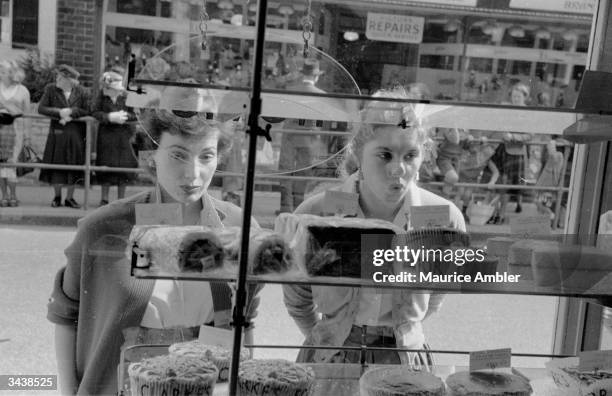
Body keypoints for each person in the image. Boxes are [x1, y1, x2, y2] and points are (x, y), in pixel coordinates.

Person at [47, 109, 261, 395]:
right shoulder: (103, 227)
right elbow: (66, 315)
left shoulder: (238, 225)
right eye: (178, 155)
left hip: (211, 385)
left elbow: (245, 320)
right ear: (151, 156)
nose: (193, 173)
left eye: (206, 156)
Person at [283, 88, 466, 367]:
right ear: (358, 153)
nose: (398, 169)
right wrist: (329, 338)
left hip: (404, 357)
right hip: (331, 356)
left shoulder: (446, 219)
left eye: (410, 155)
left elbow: (438, 294)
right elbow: (298, 299)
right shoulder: (315, 214)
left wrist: (404, 330)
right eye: (385, 155)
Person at [38, 64, 90, 208]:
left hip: (75, 134)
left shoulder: (82, 92)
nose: (57, 79)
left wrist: (71, 113)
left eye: (60, 77)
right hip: (57, 134)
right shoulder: (51, 89)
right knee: (57, 167)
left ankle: (70, 198)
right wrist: (59, 113)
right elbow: (41, 108)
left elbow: (87, 110)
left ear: (69, 80)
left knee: (73, 166)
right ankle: (57, 196)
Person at [277, 58, 325, 213]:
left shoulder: (292, 90)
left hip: (290, 135)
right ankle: (298, 208)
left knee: (286, 171)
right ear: (316, 77)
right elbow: (322, 121)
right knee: (303, 173)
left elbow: (282, 113)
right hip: (310, 138)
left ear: (302, 74)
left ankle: (286, 208)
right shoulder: (321, 95)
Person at [92, 68, 138, 206]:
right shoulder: (101, 96)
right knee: (105, 166)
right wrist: (109, 117)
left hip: (124, 137)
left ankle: (121, 199)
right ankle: (104, 198)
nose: (106, 90)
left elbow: (135, 114)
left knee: (123, 168)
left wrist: (124, 117)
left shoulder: (127, 96)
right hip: (106, 136)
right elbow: (94, 111)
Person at [489, 82, 532, 224]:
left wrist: (513, 137)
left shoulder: (528, 113)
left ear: (524, 97)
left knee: (509, 184)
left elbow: (530, 135)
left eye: (518, 96)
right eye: (514, 96)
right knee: (500, 182)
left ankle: (501, 214)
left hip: (516, 153)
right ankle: (495, 212)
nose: (515, 99)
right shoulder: (507, 109)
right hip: (502, 150)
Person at [0, 60, 30, 207]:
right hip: (0, 129)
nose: (1, 73)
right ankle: (3, 195)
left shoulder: (23, 91)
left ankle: (13, 195)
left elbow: (27, 114)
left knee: (11, 163)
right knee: (1, 164)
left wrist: (27, 136)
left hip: (16, 130)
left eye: (4, 70)